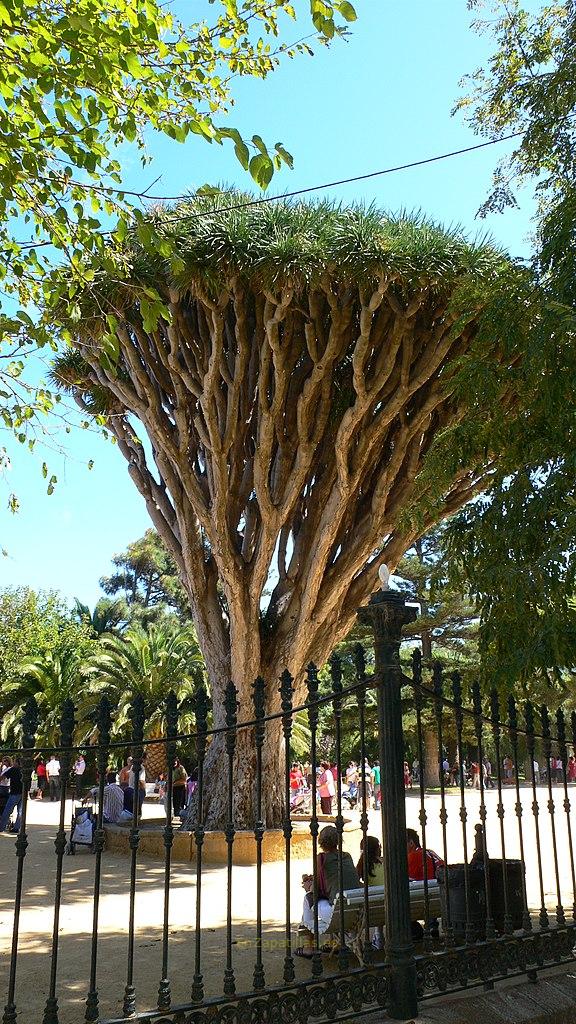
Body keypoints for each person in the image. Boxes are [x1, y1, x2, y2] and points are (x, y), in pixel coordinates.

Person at [296, 825, 360, 957]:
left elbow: (317, 890)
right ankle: (334, 943)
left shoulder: (321, 859)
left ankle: (309, 947)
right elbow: (335, 880)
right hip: (357, 913)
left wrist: (308, 886)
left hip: (337, 916)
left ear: (320, 842)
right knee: (334, 899)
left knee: (308, 898)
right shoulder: (346, 856)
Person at [356, 835, 385, 949]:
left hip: (372, 910)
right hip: (388, 908)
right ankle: (379, 935)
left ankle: (376, 938)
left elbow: (355, 883)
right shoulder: (385, 862)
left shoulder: (363, 865)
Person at [0, 757, 23, 833]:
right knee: (20, 812)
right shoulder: (24, 770)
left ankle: (1, 827)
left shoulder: (13, 769)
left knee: (7, 811)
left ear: (16, 762)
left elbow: (2, 777)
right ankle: (16, 828)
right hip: (23, 792)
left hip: (15, 793)